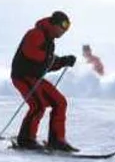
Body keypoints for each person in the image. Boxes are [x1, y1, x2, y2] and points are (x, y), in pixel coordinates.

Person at [11, 11, 78, 152]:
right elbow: (32, 54)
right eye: (63, 27)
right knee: (38, 106)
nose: (64, 31)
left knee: (60, 101)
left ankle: (57, 140)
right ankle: (26, 140)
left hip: (36, 77)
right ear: (54, 24)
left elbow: (47, 63)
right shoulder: (35, 33)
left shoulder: (49, 40)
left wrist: (62, 61)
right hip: (23, 76)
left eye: (67, 28)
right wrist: (54, 59)